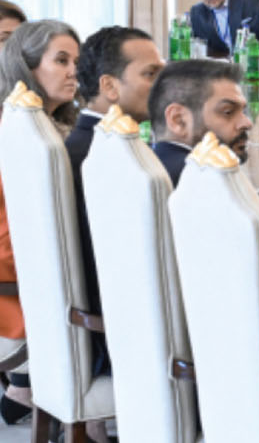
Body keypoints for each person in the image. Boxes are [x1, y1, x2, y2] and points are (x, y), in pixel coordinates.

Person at [65, 26, 164, 372]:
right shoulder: (108, 157)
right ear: (109, 86)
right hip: (126, 339)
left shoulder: (83, 144)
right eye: (151, 74)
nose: (163, 85)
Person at [0, 20, 83, 418]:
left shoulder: (39, 124)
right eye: (61, 61)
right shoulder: (25, 133)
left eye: (77, 62)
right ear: (27, 67)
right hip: (17, 286)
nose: (73, 72)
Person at [146, 60, 254, 186]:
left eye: (243, 111)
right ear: (178, 120)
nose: (247, 123)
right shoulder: (206, 178)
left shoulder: (142, 168)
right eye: (228, 112)